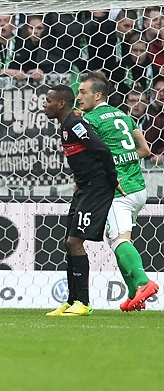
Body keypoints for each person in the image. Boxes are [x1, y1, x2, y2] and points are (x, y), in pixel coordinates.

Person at [76, 71, 158, 311]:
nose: (78, 97)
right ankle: (134, 294)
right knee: (121, 240)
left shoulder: (91, 121)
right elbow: (144, 150)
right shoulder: (123, 115)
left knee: (119, 240)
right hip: (138, 189)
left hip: (117, 190)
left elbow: (90, 156)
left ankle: (143, 282)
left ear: (97, 94)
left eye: (83, 92)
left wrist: (105, 170)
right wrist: (122, 159)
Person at [42, 84, 119, 317]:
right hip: (84, 188)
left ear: (61, 104)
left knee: (74, 242)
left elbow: (103, 150)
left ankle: (83, 303)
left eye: (48, 100)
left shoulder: (75, 124)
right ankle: (72, 300)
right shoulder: (66, 126)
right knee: (69, 242)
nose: (44, 105)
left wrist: (112, 180)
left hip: (97, 187)